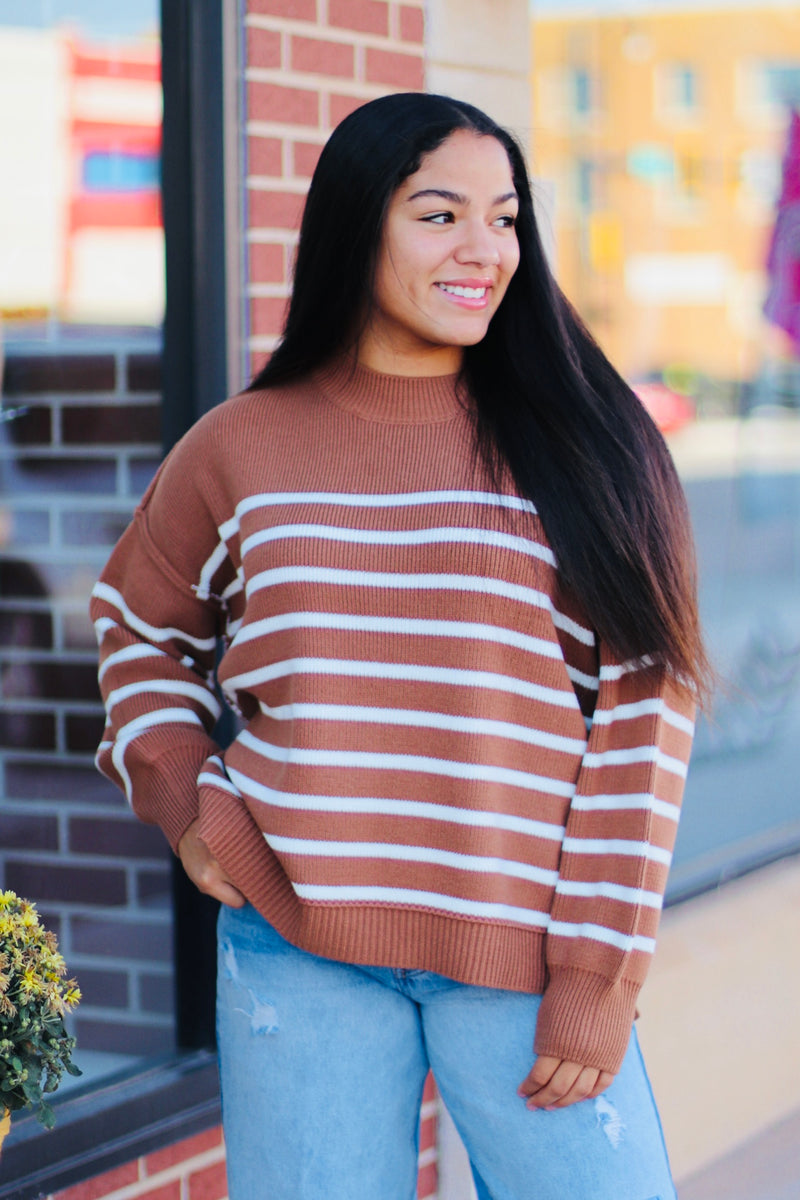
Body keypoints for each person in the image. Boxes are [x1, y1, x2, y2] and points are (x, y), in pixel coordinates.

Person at [91, 92, 708, 1200]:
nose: (483, 250)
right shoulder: (238, 448)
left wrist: (595, 978)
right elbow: (137, 629)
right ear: (354, 225)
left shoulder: (590, 443)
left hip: (525, 960)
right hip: (294, 945)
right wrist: (187, 806)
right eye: (438, 215)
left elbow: (642, 725)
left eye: (504, 217)